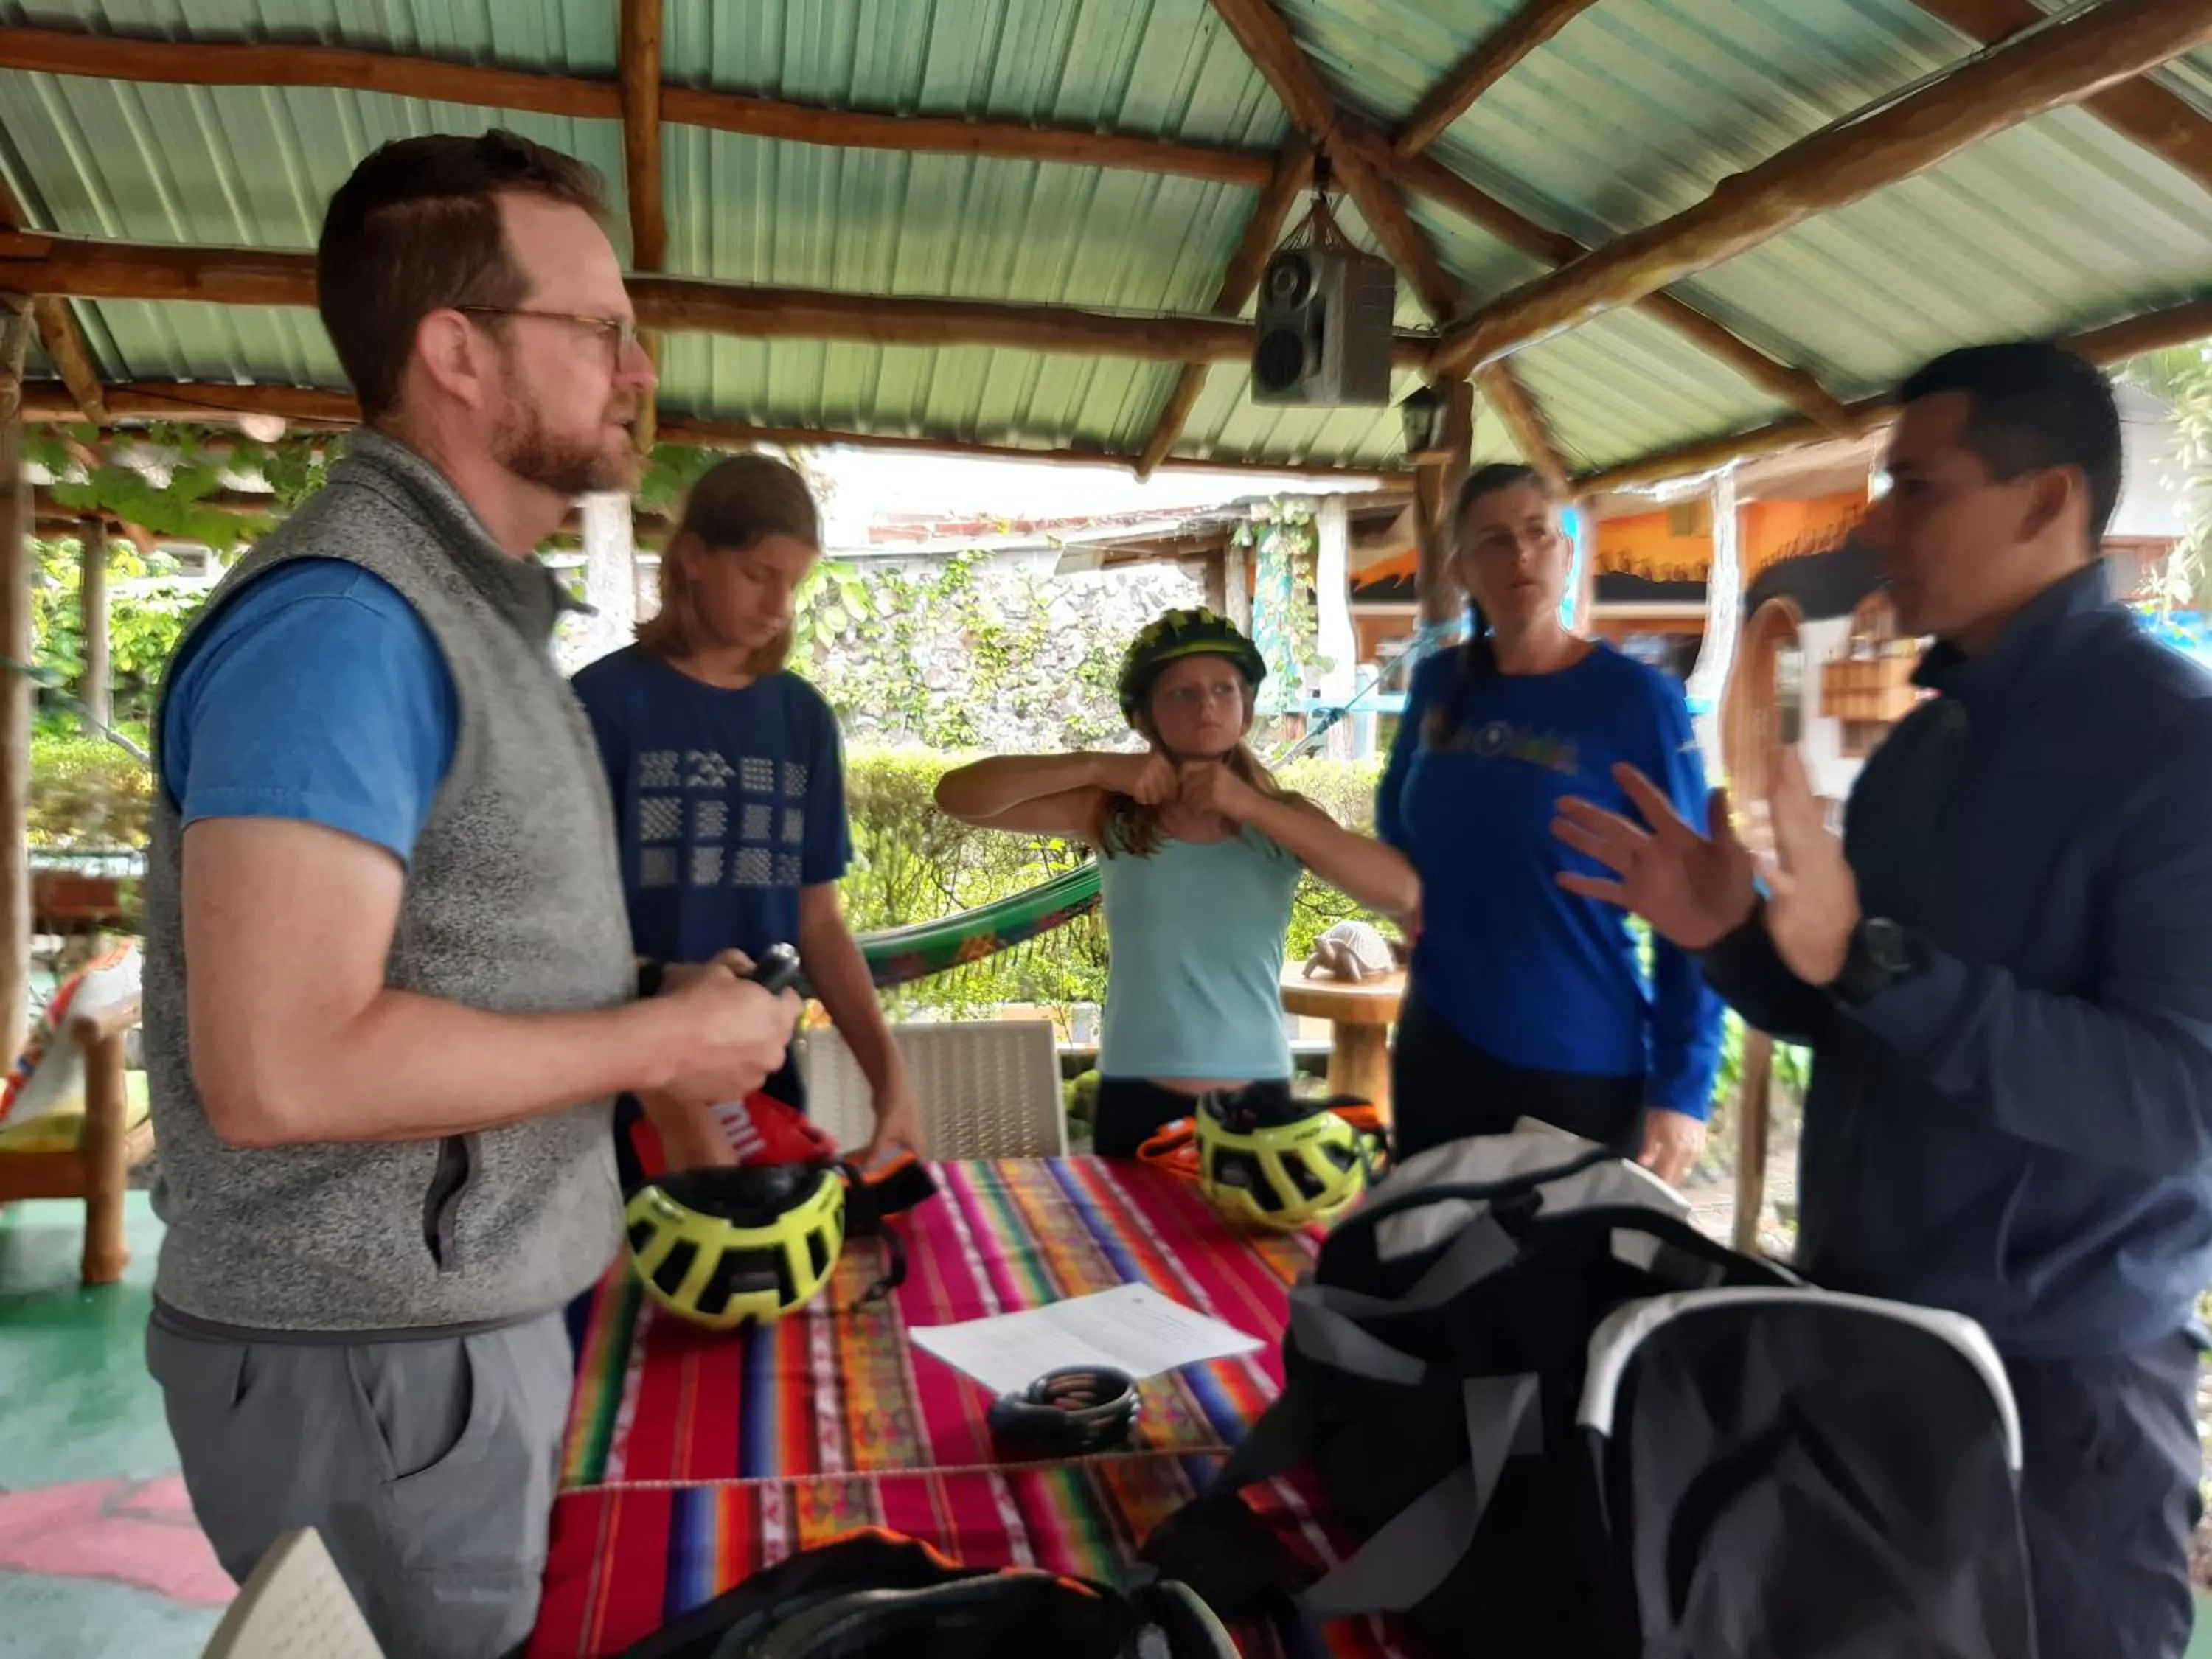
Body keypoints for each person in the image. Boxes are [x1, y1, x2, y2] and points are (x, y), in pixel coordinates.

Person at [140, 131, 799, 1659]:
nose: (640, 369)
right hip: (373, 1362)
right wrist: (650, 1051)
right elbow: (281, 1067)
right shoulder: (346, 626)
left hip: (427, 1343)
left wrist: (667, 1032)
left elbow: (465, 966)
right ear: (458, 351)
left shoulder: (460, 609)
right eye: (600, 329)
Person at [1551, 341, 2212, 1659]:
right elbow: (1861, 1022)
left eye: (1918, 488)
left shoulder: (2175, 746)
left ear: (2047, 503)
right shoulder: (1928, 741)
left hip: (2060, 1397)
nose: (1877, 525)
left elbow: (2179, 1102)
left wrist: (1867, 959)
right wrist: (1733, 939)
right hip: (1864, 1342)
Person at [934, 609, 1417, 1156]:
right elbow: (958, 796)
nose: (1207, 704)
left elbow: (1399, 892)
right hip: (1134, 1088)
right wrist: (1097, 766)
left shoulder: (1281, 817)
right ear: (1144, 718)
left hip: (1255, 1088)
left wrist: (1249, 804)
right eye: (1182, 694)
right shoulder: (1111, 813)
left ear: (1247, 707)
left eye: (1223, 689)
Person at [571, 454, 919, 1176]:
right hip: (608, 1083)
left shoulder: (802, 720)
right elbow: (561, 930)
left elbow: (817, 922)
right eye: (760, 575)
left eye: (793, 583)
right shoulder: (600, 705)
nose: (778, 606)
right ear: (693, 558)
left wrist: (891, 1079)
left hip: (757, 1076)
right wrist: (670, 1101)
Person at [1376, 463, 1723, 1177]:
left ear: (1568, 554)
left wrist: (1684, 1088)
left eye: (1539, 534)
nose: (1521, 556)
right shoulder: (1441, 685)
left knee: (1560, 1284)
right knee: (1421, 1274)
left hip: (1577, 1058)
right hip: (1438, 1041)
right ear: (1463, 568)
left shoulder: (1636, 702)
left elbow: (1697, 898)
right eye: (1496, 541)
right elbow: (1396, 821)